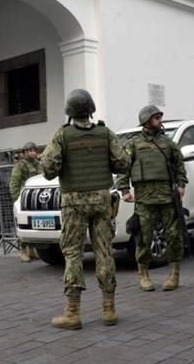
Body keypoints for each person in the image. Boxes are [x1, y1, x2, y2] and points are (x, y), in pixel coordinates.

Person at [41, 88, 130, 329]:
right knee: (105, 252)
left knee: (73, 254)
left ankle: (72, 313)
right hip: (102, 200)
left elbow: (48, 169)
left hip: (73, 203)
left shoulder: (62, 135)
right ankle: (109, 310)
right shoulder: (105, 133)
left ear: (69, 112)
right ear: (91, 110)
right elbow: (122, 163)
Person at [117, 104, 188, 292]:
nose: (160, 121)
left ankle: (174, 274)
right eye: (156, 118)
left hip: (167, 197)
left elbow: (179, 164)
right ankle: (144, 274)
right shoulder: (133, 144)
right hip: (144, 199)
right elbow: (123, 167)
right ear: (146, 121)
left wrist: (181, 185)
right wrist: (124, 189)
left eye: (159, 118)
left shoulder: (167, 143)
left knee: (173, 236)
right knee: (144, 238)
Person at [9, 141, 42, 262]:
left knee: (33, 224)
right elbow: (14, 183)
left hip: (36, 199)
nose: (32, 153)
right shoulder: (20, 165)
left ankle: (32, 250)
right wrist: (17, 199)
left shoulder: (38, 164)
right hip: (24, 198)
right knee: (23, 224)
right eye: (30, 151)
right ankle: (22, 251)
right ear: (25, 152)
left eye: (34, 150)